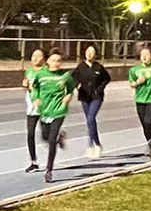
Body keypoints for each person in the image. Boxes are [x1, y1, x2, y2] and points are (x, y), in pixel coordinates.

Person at [30, 50, 74, 184]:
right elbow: (35, 88)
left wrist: (68, 96)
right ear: (47, 61)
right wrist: (35, 98)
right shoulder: (40, 75)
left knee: (51, 139)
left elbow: (71, 88)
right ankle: (60, 137)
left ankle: (49, 170)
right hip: (44, 110)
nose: (56, 63)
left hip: (59, 110)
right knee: (44, 136)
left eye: (59, 61)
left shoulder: (65, 75)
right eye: (53, 60)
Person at [72, 44, 110, 157]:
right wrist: (77, 85)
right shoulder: (80, 67)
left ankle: (97, 145)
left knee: (90, 118)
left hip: (96, 97)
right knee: (90, 122)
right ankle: (90, 146)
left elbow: (107, 79)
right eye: (88, 51)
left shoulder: (99, 67)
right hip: (84, 96)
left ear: (95, 54)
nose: (89, 54)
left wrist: (99, 89)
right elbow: (73, 78)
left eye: (92, 52)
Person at [129, 44, 151, 156]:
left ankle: (150, 141)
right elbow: (132, 84)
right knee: (144, 124)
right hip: (140, 99)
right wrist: (138, 82)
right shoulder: (134, 70)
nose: (144, 57)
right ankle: (150, 142)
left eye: (146, 54)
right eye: (142, 54)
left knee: (148, 120)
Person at [22, 47, 45, 171]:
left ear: (44, 59)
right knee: (30, 133)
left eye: (39, 56)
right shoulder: (29, 71)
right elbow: (28, 86)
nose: (35, 58)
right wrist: (25, 86)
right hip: (31, 107)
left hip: (45, 107)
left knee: (46, 135)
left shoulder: (47, 72)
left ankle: (58, 136)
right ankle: (33, 162)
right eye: (33, 56)